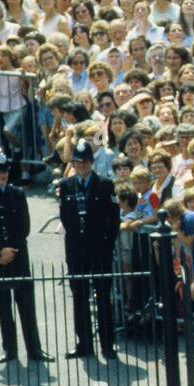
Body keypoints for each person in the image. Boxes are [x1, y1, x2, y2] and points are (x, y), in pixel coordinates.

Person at [0, 148, 52, 365]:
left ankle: (35, 349)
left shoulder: (17, 194)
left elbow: (23, 227)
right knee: (3, 307)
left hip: (17, 257)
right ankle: (9, 349)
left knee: (26, 305)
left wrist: (11, 250)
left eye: (5, 170)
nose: (3, 174)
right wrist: (0, 251)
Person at [58, 138, 120, 360]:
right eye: (77, 162)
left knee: (103, 296)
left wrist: (106, 243)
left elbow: (114, 219)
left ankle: (107, 344)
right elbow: (65, 217)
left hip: (99, 249)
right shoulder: (66, 186)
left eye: (85, 162)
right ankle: (84, 343)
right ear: (73, 164)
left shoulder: (105, 184)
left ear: (91, 163)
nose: (81, 166)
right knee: (79, 296)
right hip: (76, 249)